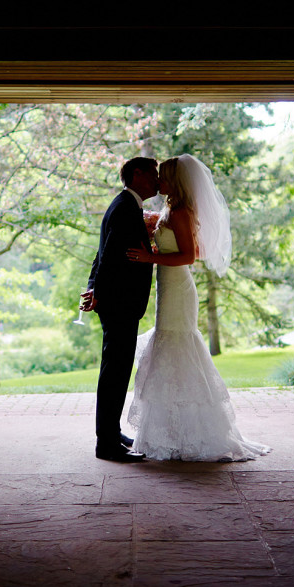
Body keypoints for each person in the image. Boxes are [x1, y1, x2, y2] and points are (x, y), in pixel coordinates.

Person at [125, 154, 271, 461]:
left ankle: (195, 434)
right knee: (169, 347)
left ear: (174, 181)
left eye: (162, 177)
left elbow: (190, 256)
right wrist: (155, 240)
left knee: (177, 345)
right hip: (168, 285)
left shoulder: (180, 211)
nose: (158, 181)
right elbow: (184, 247)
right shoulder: (171, 209)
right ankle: (173, 432)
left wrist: (152, 257)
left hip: (178, 286)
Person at [81, 157, 159, 462]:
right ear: (137, 174)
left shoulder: (125, 204)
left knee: (116, 371)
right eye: (152, 174)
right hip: (120, 302)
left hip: (117, 301)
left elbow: (101, 252)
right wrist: (98, 293)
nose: (156, 181)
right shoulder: (126, 206)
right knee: (115, 373)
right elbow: (111, 255)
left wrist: (92, 287)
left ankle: (111, 434)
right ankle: (107, 444)